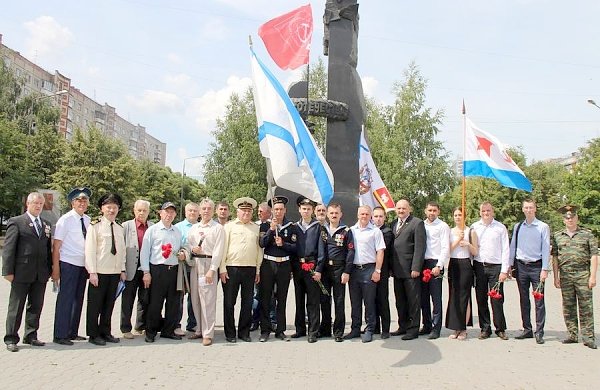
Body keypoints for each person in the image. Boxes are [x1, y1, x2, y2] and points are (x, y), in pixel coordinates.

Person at [2, 192, 52, 352]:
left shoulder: (45, 224)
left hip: (40, 273)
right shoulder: (17, 222)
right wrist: (7, 271)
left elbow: (47, 249)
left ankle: (31, 335)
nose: (38, 206)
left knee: (36, 306)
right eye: (35, 203)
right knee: (16, 307)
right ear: (27, 204)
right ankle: (11, 338)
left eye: (40, 204)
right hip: (21, 272)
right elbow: (9, 249)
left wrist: (49, 269)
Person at [140, 202, 187, 343]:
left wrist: (183, 254)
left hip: (173, 270)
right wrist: (146, 272)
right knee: (155, 303)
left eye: (172, 212)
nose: (169, 214)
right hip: (157, 270)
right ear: (160, 213)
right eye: (166, 211)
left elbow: (182, 248)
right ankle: (151, 331)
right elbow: (145, 252)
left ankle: (168, 330)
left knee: (173, 303)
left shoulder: (177, 231)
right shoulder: (153, 230)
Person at [552, 205, 598, 349]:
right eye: (567, 217)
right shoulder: (557, 236)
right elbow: (555, 257)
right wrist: (556, 276)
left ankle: (588, 337)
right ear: (563, 220)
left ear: (577, 218)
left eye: (572, 217)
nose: (570, 219)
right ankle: (572, 334)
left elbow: (594, 256)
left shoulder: (587, 234)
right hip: (565, 275)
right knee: (568, 307)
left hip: (582, 274)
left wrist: (593, 276)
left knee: (586, 306)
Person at [84, 193, 126, 346]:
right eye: (108, 207)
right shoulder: (95, 226)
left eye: (115, 207)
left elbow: (122, 251)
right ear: (102, 208)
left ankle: (105, 332)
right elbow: (90, 250)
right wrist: (92, 272)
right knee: (95, 305)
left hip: (114, 272)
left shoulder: (119, 228)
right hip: (99, 272)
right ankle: (93, 334)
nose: (111, 210)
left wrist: (122, 269)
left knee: (109, 305)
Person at [52, 187, 92, 346]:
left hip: (83, 265)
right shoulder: (65, 220)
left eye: (84, 200)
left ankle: (72, 332)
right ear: (72, 203)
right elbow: (56, 246)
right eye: (78, 200)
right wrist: (56, 269)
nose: (82, 203)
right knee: (65, 299)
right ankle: (60, 334)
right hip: (68, 264)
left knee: (78, 299)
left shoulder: (88, 220)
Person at [219, 197, 262, 343]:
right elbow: (223, 248)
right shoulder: (229, 227)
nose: (246, 213)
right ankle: (230, 333)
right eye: (243, 211)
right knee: (229, 302)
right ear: (237, 212)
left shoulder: (256, 228)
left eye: (249, 211)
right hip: (231, 268)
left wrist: (257, 270)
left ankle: (244, 332)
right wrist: (222, 268)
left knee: (247, 302)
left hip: (250, 269)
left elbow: (259, 251)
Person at [510, 199, 551, 345]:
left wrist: (545, 268)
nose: (528, 210)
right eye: (526, 207)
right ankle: (527, 328)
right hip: (521, 267)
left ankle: (539, 331)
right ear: (522, 209)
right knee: (524, 299)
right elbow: (513, 246)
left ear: (535, 209)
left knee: (539, 300)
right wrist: (510, 264)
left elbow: (546, 248)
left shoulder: (542, 227)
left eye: (531, 207)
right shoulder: (518, 226)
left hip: (537, 266)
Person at [345, 205, 385, 343]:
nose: (364, 216)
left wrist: (377, 270)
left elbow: (380, 251)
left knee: (369, 302)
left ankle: (369, 330)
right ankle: (355, 329)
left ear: (370, 216)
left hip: (369, 269)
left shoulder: (375, 231)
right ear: (357, 215)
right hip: (354, 270)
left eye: (367, 214)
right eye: (362, 214)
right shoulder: (351, 231)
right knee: (355, 302)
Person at [187, 198, 225, 346]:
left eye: (209, 208)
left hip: (209, 263)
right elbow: (189, 243)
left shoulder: (217, 228)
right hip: (195, 264)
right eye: (204, 208)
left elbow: (218, 251)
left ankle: (208, 333)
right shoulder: (194, 228)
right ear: (200, 210)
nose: (206, 211)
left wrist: (212, 269)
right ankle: (199, 330)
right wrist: (192, 249)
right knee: (195, 299)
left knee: (208, 300)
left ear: (213, 210)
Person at [258, 196, 296, 342]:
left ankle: (280, 330)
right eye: (276, 209)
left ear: (285, 210)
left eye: (281, 209)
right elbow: (262, 243)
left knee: (282, 298)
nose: (278, 212)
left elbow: (295, 248)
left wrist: (283, 245)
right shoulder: (265, 226)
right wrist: (271, 230)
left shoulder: (291, 227)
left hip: (284, 266)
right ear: (272, 211)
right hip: (268, 265)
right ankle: (265, 330)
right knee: (266, 298)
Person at [471, 201, 510, 341]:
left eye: (488, 211)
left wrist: (504, 270)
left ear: (492, 212)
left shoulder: (500, 228)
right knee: (481, 299)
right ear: (480, 212)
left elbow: (506, 249)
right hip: (479, 266)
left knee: (497, 299)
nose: (486, 213)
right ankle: (485, 328)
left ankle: (500, 329)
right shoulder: (474, 227)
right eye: (483, 211)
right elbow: (471, 249)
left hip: (496, 267)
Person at [317, 202, 355, 342]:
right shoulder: (322, 230)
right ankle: (325, 329)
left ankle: (338, 332)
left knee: (339, 301)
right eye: (331, 213)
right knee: (325, 300)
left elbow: (351, 252)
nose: (334, 215)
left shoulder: (346, 231)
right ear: (327, 214)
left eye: (336, 213)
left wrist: (347, 271)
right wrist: (318, 270)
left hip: (339, 270)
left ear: (341, 214)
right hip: (325, 270)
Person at [390, 199, 426, 340]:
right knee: (400, 301)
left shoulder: (417, 223)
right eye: (398, 208)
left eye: (404, 208)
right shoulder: (393, 224)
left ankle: (413, 329)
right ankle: (403, 326)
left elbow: (420, 248)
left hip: (411, 271)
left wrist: (416, 267)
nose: (401, 211)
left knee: (413, 301)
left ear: (409, 209)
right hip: (397, 270)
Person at [292, 196, 323, 343]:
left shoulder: (318, 227)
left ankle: (313, 331)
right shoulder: (294, 227)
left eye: (309, 209)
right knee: (299, 299)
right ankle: (300, 329)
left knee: (313, 301)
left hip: (312, 266)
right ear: (299, 210)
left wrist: (318, 269)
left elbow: (321, 251)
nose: (306, 211)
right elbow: (292, 249)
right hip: (298, 267)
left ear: (313, 210)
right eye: (303, 209)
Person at [120, 200, 153, 339]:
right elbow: (121, 249)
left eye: (144, 210)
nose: (141, 213)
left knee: (145, 298)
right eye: (139, 210)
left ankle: (140, 325)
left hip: (147, 269)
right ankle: (125, 328)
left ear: (148, 212)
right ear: (134, 210)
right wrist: (121, 269)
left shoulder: (152, 227)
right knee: (128, 299)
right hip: (130, 268)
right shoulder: (126, 226)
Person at [446, 207, 478, 340]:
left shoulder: (471, 231)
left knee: (464, 296)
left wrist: (468, 244)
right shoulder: (450, 231)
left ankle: (463, 328)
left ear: (464, 216)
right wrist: (458, 240)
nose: (458, 217)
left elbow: (475, 251)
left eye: (460, 215)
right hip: (453, 264)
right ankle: (455, 327)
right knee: (453, 296)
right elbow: (447, 250)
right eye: (455, 215)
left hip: (465, 264)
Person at [420, 201, 450, 340]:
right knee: (423, 297)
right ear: (425, 211)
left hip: (435, 263)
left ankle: (436, 328)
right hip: (423, 263)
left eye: (434, 210)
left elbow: (445, 247)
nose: (432, 213)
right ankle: (426, 325)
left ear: (438, 212)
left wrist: (439, 265)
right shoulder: (421, 225)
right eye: (429, 210)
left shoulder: (443, 226)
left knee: (436, 298)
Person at [174, 202, 199, 336]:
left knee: (194, 296)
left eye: (195, 211)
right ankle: (176, 324)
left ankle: (193, 324)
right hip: (182, 265)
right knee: (179, 296)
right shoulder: (178, 227)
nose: (192, 213)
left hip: (196, 265)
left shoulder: (201, 227)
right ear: (185, 212)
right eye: (190, 211)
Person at [251, 202, 275, 332]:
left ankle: (272, 321)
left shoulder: (276, 225)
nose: (259, 213)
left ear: (269, 212)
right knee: (255, 295)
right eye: (258, 211)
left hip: (270, 264)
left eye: (261, 211)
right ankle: (255, 320)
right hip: (257, 264)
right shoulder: (255, 225)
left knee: (271, 295)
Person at [371, 206, 393, 339]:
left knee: (382, 299)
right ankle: (374, 327)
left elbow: (381, 250)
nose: (378, 219)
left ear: (385, 218)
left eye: (381, 216)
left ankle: (385, 329)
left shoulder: (387, 232)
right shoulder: (370, 230)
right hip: (370, 269)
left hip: (382, 270)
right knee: (371, 299)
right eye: (376, 216)